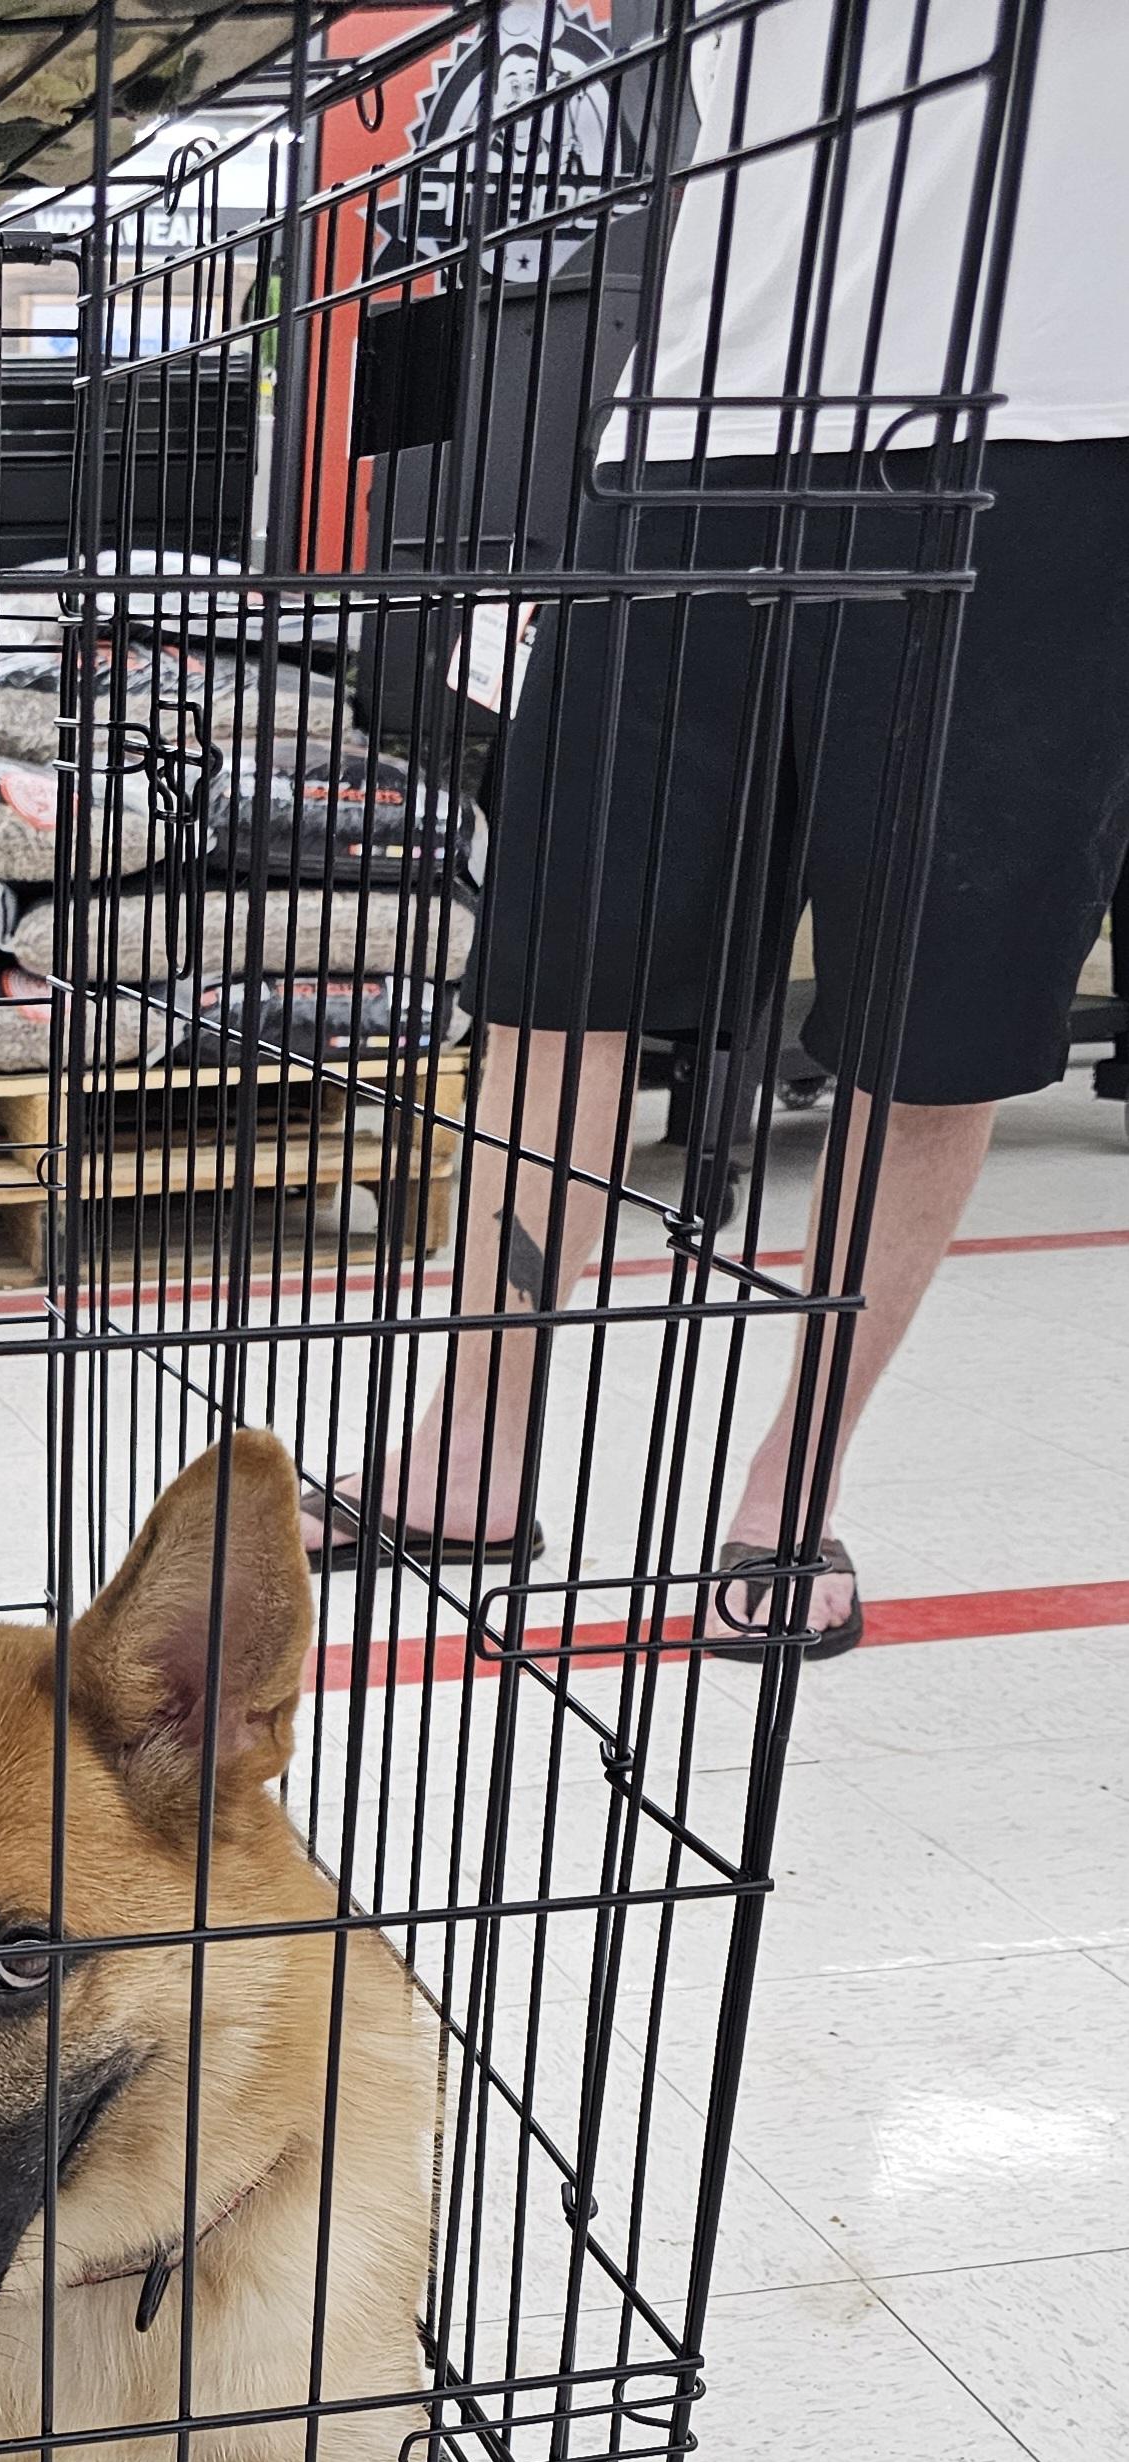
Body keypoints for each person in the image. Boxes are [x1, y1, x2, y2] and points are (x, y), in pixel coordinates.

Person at [320, 0, 1129, 1659]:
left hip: (1051, 418)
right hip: (698, 419)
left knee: (938, 1005)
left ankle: (788, 1488)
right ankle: (471, 1448)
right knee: (557, 968)